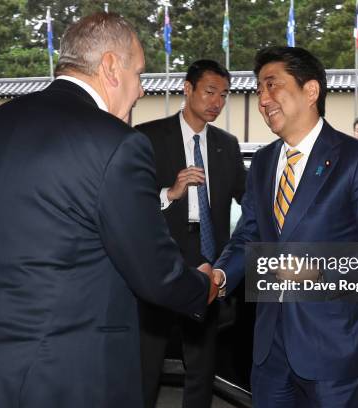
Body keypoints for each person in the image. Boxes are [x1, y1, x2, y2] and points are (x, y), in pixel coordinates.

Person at [0, 12, 219, 407]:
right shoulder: (117, 143)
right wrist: (204, 287)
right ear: (111, 67)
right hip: (54, 376)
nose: (141, 90)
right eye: (139, 73)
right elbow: (155, 273)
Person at [213, 47, 358, 407]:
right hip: (270, 348)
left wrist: (320, 271)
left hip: (333, 347)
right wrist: (222, 274)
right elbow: (250, 235)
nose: (263, 99)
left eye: (272, 85)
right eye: (259, 90)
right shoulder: (264, 161)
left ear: (311, 91)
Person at [135, 59, 246, 408]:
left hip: (207, 261)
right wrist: (170, 193)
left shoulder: (227, 145)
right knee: (146, 362)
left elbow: (250, 203)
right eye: (210, 91)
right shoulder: (148, 137)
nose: (217, 101)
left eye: (224, 95)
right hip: (162, 260)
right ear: (188, 88)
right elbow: (128, 205)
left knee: (201, 366)